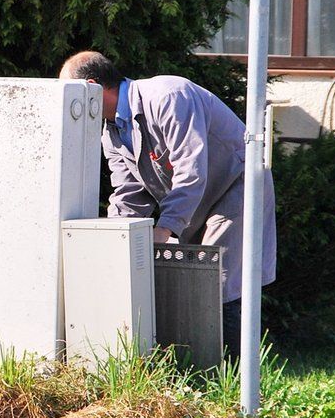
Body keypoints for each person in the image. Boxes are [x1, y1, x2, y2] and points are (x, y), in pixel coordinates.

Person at [59, 51, 276, 360]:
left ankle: (232, 377)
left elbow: (191, 171)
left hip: (236, 187)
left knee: (218, 281)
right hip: (198, 199)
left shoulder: (169, 97)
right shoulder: (112, 129)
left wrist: (165, 228)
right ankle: (195, 367)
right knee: (194, 283)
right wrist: (111, 243)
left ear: (92, 87)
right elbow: (129, 191)